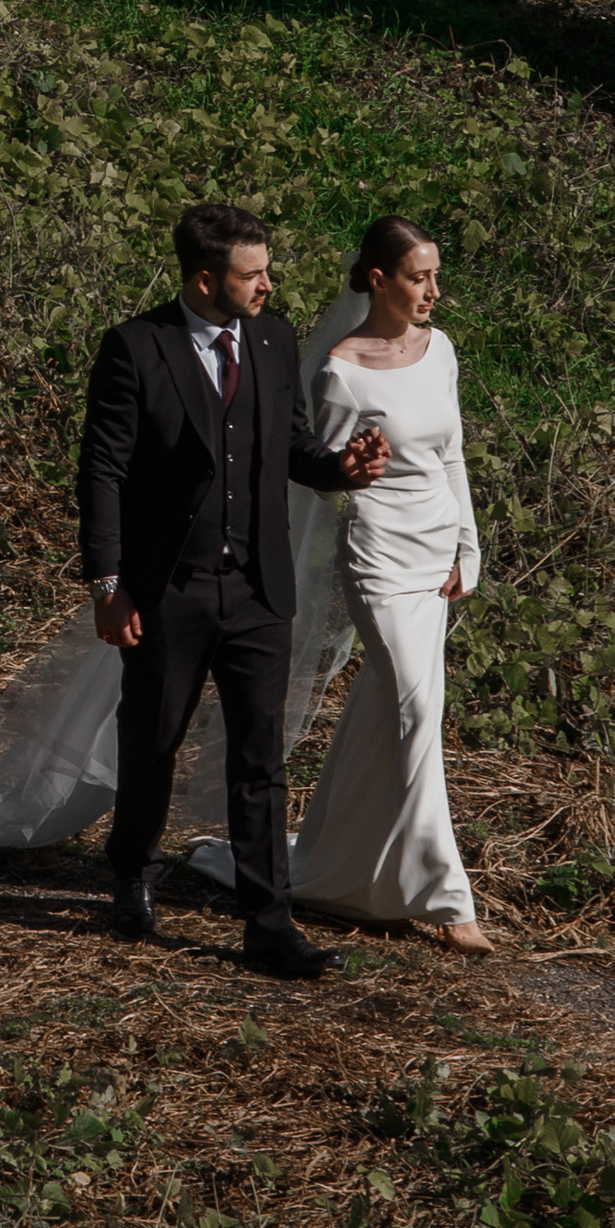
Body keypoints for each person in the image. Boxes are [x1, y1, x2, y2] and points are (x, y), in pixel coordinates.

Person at [76, 200, 389, 980]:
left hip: (257, 589)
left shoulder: (275, 341)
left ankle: (267, 922)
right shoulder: (136, 348)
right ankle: (133, 875)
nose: (269, 286)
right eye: (254, 274)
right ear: (205, 277)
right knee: (153, 739)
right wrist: (109, 583)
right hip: (167, 588)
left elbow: (288, 442)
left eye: (268, 270)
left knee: (261, 758)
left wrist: (338, 468)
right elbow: (103, 472)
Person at [288, 214, 489, 945]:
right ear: (378, 279)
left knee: (388, 709)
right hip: (379, 555)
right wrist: (353, 463)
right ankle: (447, 897)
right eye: (418, 276)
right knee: (414, 709)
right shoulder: (339, 368)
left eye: (435, 275)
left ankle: (333, 870)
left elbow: (454, 452)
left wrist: (469, 543)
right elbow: (329, 476)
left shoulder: (440, 350)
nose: (433, 289)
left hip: (437, 547)